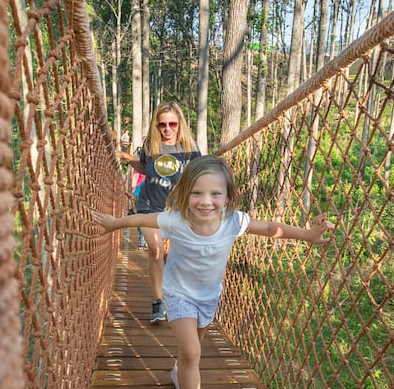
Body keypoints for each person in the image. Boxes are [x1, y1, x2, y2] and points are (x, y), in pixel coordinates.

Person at [92, 155, 334, 389]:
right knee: (191, 351)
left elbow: (271, 228)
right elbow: (143, 219)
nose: (206, 201)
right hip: (178, 294)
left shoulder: (233, 222)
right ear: (185, 194)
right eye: (197, 193)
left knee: (194, 348)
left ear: (228, 197)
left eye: (215, 194)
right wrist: (114, 223)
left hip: (209, 296)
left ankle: (179, 372)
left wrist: (308, 235)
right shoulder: (177, 220)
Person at [116, 101, 201, 323]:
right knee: (155, 251)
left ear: (180, 124)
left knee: (174, 256)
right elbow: (145, 168)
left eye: (173, 124)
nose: (168, 129)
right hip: (148, 206)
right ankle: (158, 301)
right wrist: (126, 157)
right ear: (157, 125)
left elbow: (199, 176)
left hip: (177, 210)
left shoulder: (190, 150)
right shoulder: (150, 145)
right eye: (162, 125)